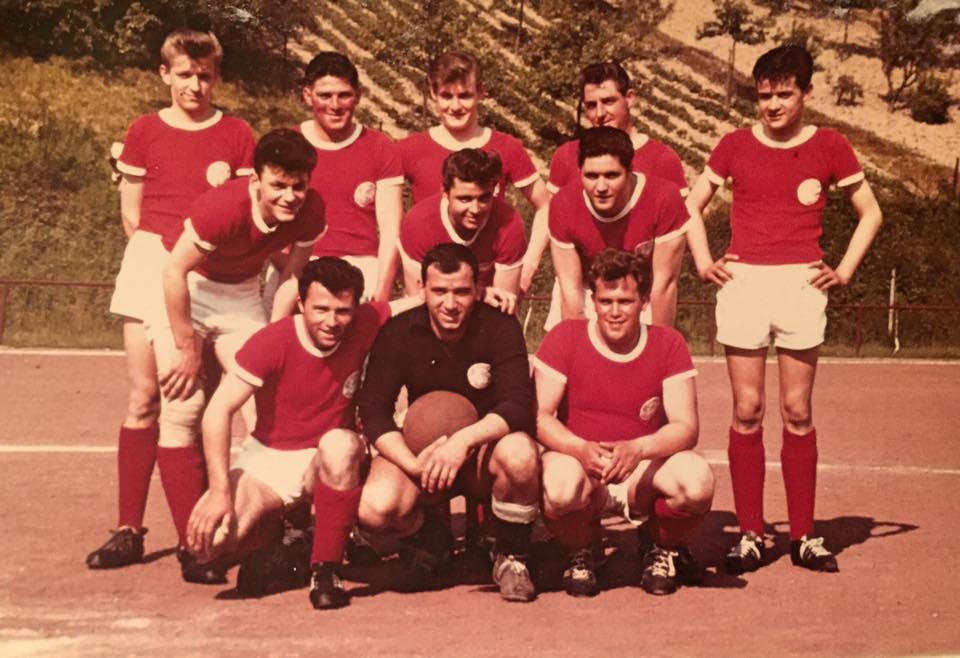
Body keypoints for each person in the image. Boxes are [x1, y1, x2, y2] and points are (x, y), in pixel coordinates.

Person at [685, 45, 883, 574]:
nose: (773, 105)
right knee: (747, 410)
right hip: (744, 282)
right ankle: (751, 534)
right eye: (764, 95)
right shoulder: (734, 145)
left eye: (784, 94)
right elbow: (691, 204)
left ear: (806, 93)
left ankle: (803, 535)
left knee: (797, 410)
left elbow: (870, 212)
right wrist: (704, 261)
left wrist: (843, 270)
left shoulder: (831, 145)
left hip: (801, 284)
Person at [87, 26, 255, 572]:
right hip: (152, 265)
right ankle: (128, 530)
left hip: (210, 275)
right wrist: (163, 261)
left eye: (204, 76)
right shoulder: (144, 130)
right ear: (165, 74)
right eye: (184, 74)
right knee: (144, 397)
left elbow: (243, 210)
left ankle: (198, 533)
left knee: (196, 400)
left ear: (217, 77)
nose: (194, 86)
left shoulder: (236, 133)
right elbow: (131, 214)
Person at [152, 128, 326, 582]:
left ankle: (276, 525)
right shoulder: (223, 207)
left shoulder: (311, 209)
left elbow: (292, 276)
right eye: (278, 185)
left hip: (242, 293)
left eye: (298, 185)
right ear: (256, 180)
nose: (289, 196)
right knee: (183, 405)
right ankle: (194, 541)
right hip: (188, 287)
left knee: (265, 400)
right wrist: (187, 347)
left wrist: (275, 334)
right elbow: (173, 271)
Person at [357, 244, 540, 602]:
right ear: (422, 289)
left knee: (521, 454)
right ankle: (430, 536)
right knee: (375, 507)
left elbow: (518, 405)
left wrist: (463, 442)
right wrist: (413, 464)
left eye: (461, 292)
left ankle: (510, 554)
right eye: (439, 291)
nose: (450, 303)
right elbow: (374, 410)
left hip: (481, 453)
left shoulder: (500, 326)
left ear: (477, 290)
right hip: (422, 454)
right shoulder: (399, 331)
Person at [533, 248, 713, 597]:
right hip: (584, 465)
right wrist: (579, 448)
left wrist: (638, 449)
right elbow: (538, 416)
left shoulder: (668, 343)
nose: (614, 311)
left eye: (625, 301)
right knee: (558, 486)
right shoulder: (565, 337)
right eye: (606, 301)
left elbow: (686, 426)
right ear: (593, 301)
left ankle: (658, 544)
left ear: (644, 302)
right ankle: (581, 548)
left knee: (697, 481)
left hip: (640, 470)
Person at [397, 51, 548, 294]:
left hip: (488, 290)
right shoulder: (411, 148)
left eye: (465, 95)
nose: (456, 106)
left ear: (480, 92)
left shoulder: (506, 147)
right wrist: (400, 259)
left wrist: (528, 266)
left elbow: (545, 205)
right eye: (446, 96)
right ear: (433, 92)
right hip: (433, 289)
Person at [264, 52, 403, 307]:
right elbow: (267, 220)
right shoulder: (287, 144)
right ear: (308, 95)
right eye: (325, 95)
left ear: (358, 96)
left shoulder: (380, 147)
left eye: (344, 95)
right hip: (297, 263)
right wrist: (294, 274)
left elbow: (391, 230)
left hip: (359, 265)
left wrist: (381, 297)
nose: (335, 105)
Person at [548, 127, 689, 330]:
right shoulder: (563, 203)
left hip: (643, 294)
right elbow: (570, 289)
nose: (601, 187)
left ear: (629, 170)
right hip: (588, 290)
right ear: (580, 172)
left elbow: (664, 285)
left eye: (611, 175)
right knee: (564, 340)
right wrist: (576, 342)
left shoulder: (664, 198)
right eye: (591, 176)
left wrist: (660, 343)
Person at [546, 61, 689, 196]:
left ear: (629, 98)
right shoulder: (566, 156)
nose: (600, 113)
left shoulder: (662, 160)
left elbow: (681, 213)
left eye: (608, 101)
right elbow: (553, 211)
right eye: (592, 105)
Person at [398, 149, 526, 295]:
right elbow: (417, 299)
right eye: (465, 199)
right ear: (445, 192)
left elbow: (504, 301)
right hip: (435, 302)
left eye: (484, 198)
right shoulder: (419, 223)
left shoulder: (508, 223)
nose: (475, 209)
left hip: (485, 305)